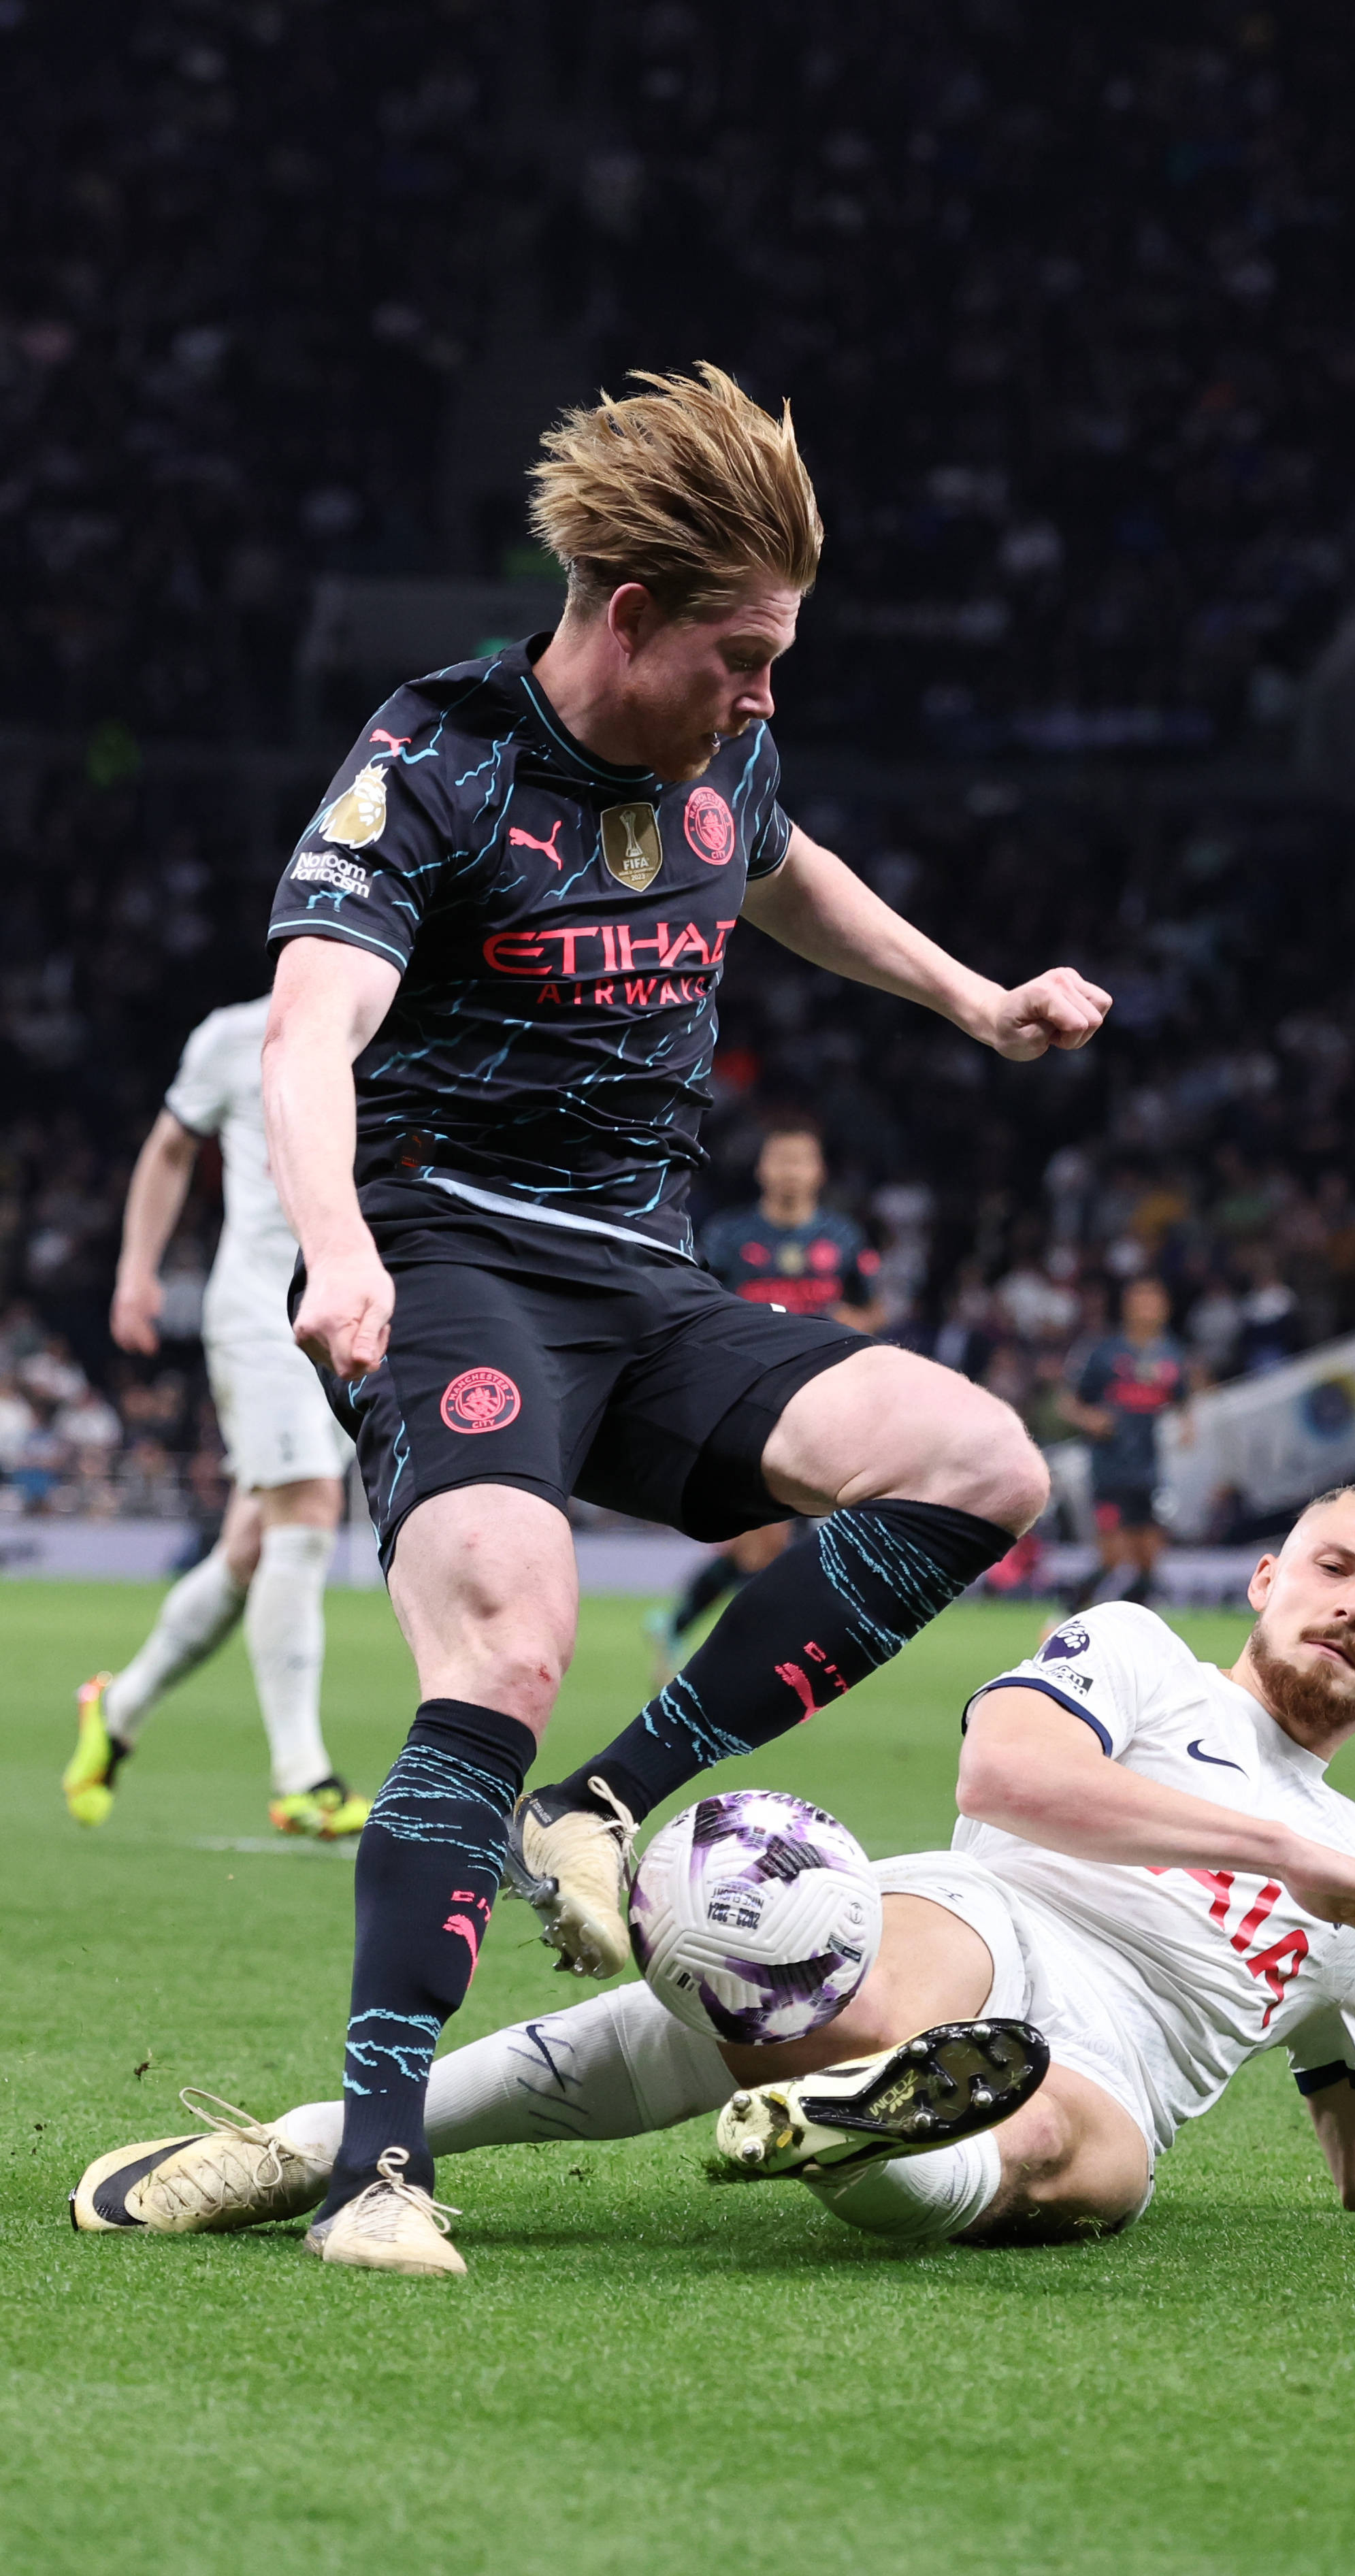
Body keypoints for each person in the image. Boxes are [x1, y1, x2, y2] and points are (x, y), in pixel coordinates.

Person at [259, 364, 1111, 2272]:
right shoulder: (435, 764)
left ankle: (602, 1804)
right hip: (451, 1254)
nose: (764, 696)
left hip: (649, 1280)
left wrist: (975, 1001)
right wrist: (337, 1248)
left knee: (984, 1461)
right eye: (742, 657)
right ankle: (374, 2169)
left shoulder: (720, 756)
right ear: (629, 617)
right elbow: (308, 1032)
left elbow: (784, 872)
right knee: (510, 1635)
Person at [76, 1459, 1355, 2269]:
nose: (1353, 1605)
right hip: (981, 1918)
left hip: (1110, 2067)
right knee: (835, 1960)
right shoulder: (1139, 1655)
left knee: (1082, 2150)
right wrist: (1282, 1847)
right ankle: (316, 2140)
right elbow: (1008, 1776)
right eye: (1332, 1566)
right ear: (1269, 1575)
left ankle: (859, 2126)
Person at [61, 1000, 367, 1840]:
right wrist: (137, 1271)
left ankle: (117, 1709)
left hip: (355, 1316)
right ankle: (302, 1777)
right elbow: (169, 1147)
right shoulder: (236, 1036)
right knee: (308, 1508)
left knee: (252, 1545)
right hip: (263, 1313)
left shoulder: (412, 1027)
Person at [647, 1116, 885, 1680]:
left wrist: (850, 1323)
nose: (791, 1171)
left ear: (819, 1171)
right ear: (762, 1169)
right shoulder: (729, 1236)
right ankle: (751, 1662)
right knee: (769, 1535)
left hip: (823, 1400)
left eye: (801, 1160)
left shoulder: (842, 1238)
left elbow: (873, 1308)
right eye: (781, 1159)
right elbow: (695, 1300)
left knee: (767, 1541)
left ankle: (681, 1623)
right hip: (748, 1395)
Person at [1058, 1274, 1189, 1611]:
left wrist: (1187, 1426)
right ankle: (1066, 1611)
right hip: (1110, 1467)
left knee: (1148, 1561)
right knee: (1113, 1559)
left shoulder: (1171, 1355)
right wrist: (1091, 1419)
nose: (1148, 1308)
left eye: (1154, 1300)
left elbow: (1183, 1400)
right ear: (1127, 1306)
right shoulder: (1104, 1352)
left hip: (1149, 1469)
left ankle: (1131, 1623)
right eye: (1141, 1300)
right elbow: (1068, 1403)